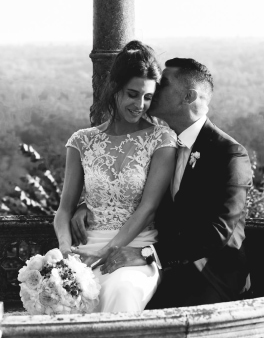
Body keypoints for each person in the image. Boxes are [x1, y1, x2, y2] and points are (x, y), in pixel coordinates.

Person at [71, 57, 253, 308]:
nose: (153, 88)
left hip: (208, 274)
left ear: (188, 96)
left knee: (124, 299)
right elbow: (129, 189)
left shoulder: (228, 154)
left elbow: (218, 231)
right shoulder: (161, 144)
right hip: (163, 268)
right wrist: (87, 204)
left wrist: (146, 254)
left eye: (163, 83)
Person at [54, 41, 177, 314]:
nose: (140, 105)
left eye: (147, 97)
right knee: (65, 301)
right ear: (115, 88)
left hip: (133, 252)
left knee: (121, 291)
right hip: (83, 250)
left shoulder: (162, 140)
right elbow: (63, 210)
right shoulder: (82, 141)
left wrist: (106, 252)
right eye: (133, 94)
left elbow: (148, 208)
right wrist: (65, 250)